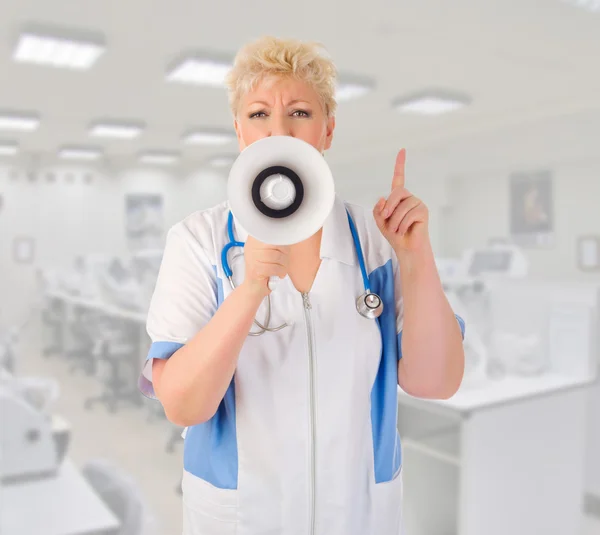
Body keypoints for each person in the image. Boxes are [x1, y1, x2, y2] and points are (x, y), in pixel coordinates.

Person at [138, 35, 465, 535]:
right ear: (239, 131)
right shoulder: (199, 242)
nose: (279, 131)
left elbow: (436, 381)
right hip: (242, 516)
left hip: (358, 514)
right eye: (259, 114)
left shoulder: (375, 244)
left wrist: (414, 256)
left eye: (300, 113)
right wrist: (249, 290)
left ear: (328, 130)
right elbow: (182, 404)